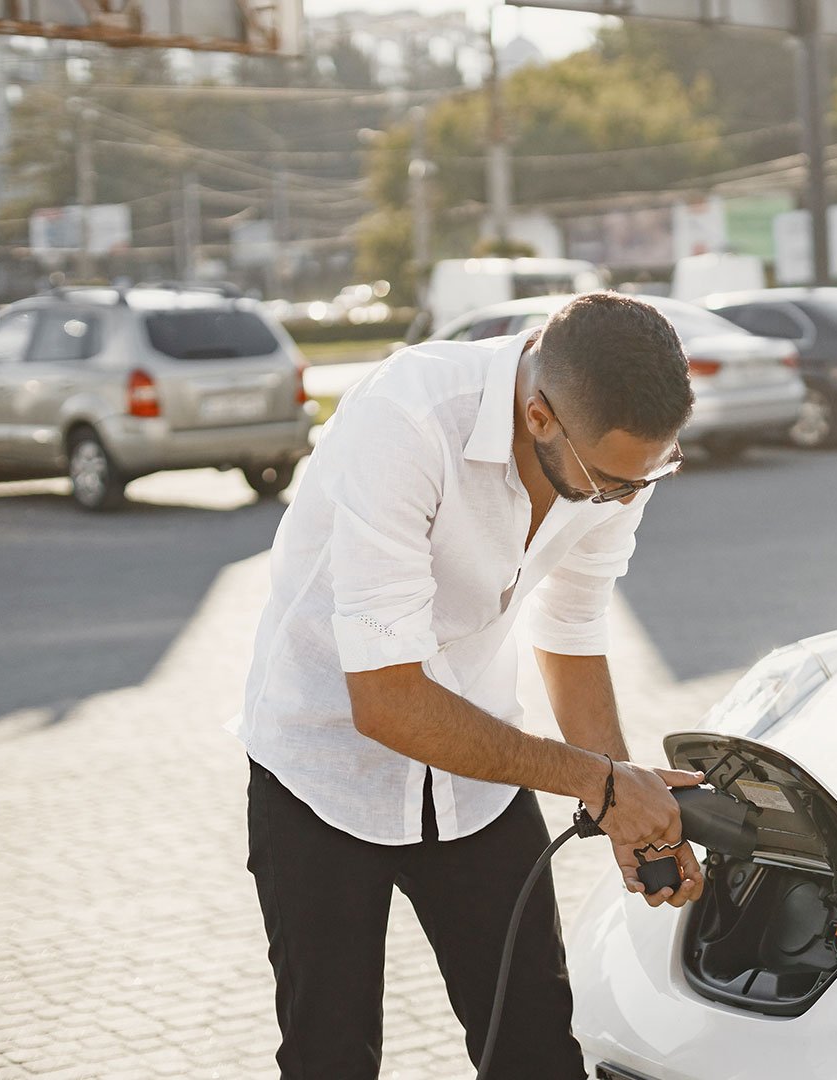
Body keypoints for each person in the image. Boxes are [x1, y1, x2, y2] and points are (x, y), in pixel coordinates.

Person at [231, 292, 705, 1079]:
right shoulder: (407, 420)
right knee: (331, 1058)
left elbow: (573, 628)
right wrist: (597, 780)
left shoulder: (613, 461)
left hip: (479, 773)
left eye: (645, 479)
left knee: (536, 1051)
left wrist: (624, 803)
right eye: (610, 484)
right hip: (321, 770)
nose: (625, 499)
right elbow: (385, 701)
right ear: (540, 415)